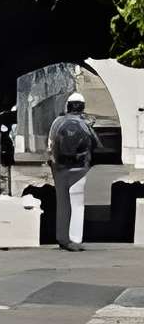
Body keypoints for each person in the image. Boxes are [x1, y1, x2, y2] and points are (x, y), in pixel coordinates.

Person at [47, 91, 100, 250]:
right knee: (77, 202)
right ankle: (75, 239)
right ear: (82, 107)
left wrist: (53, 162)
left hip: (59, 168)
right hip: (80, 168)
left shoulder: (57, 122)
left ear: (67, 106)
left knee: (62, 202)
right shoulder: (85, 123)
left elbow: (50, 145)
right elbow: (96, 144)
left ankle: (62, 238)